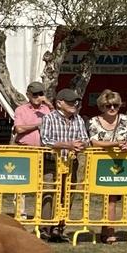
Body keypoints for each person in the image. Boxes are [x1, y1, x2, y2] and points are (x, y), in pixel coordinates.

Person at [85, 88, 127, 243]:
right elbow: (94, 142)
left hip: (121, 164)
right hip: (100, 163)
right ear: (102, 107)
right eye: (109, 106)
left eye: (116, 105)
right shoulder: (94, 121)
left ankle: (107, 231)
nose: (112, 108)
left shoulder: (126, 119)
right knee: (109, 198)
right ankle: (108, 231)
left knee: (113, 198)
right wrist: (115, 143)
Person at [38, 91, 88, 241]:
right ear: (59, 103)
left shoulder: (78, 119)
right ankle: (44, 228)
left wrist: (81, 145)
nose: (74, 105)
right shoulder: (49, 118)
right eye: (70, 102)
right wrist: (68, 145)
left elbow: (85, 138)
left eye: (76, 102)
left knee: (67, 195)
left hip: (71, 162)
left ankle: (60, 228)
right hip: (51, 163)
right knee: (49, 193)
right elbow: (45, 140)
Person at [10, 81, 50, 147]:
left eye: (40, 94)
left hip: (43, 149)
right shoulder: (21, 110)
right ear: (28, 95)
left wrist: (49, 104)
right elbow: (19, 129)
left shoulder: (47, 109)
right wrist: (37, 126)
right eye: (35, 94)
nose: (38, 96)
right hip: (25, 148)